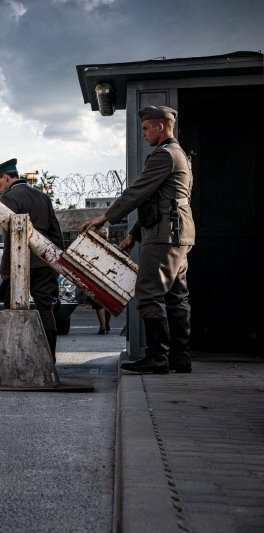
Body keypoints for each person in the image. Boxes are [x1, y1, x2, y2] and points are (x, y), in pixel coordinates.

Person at [82, 105, 194, 374]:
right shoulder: (181, 156)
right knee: (177, 296)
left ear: (161, 127)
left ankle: (158, 357)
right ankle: (180, 357)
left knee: (147, 293)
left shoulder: (163, 156)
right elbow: (158, 200)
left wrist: (105, 217)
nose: (143, 134)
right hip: (178, 234)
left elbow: (137, 193)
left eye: (146, 128)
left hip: (164, 235)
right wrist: (133, 234)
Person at [0, 158, 64, 360]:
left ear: (5, 177)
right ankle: (50, 359)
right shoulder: (42, 197)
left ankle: (13, 357)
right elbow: (56, 231)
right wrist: (58, 262)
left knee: (12, 308)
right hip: (44, 262)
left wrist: (5, 267)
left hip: (19, 264)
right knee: (45, 309)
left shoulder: (9, 198)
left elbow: (9, 236)